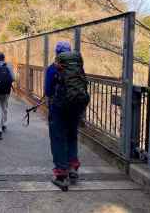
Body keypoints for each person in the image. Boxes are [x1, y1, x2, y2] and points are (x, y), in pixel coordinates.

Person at [44, 41, 89, 191]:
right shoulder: (78, 69)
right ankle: (73, 167)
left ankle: (61, 174)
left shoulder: (52, 68)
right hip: (75, 107)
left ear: (57, 53)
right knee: (71, 136)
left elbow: (48, 91)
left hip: (58, 108)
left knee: (58, 138)